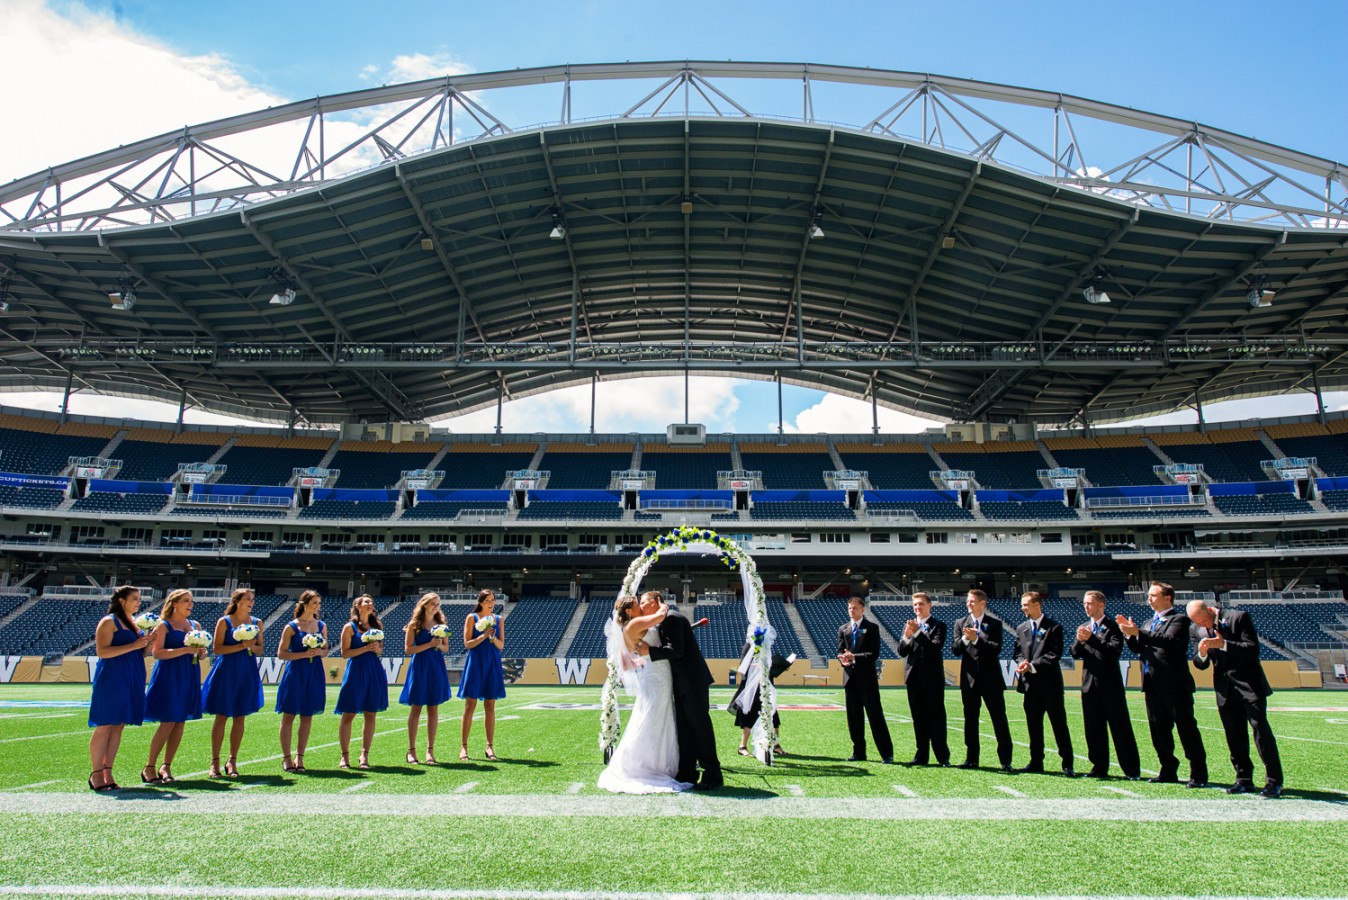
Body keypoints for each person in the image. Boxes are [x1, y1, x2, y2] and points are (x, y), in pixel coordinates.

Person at [1187, 599, 1283, 798]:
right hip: (1224, 689)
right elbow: (1199, 663)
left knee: (1261, 731)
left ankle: (1274, 781)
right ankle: (1243, 779)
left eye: (1204, 620)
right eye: (1199, 623)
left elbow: (1252, 648)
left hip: (1249, 686)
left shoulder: (1238, 618)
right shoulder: (1196, 629)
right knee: (1234, 735)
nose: (1203, 625)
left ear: (1210, 610)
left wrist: (1224, 645)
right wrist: (1203, 653)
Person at [597, 595, 692, 794]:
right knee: (654, 717)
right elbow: (660, 616)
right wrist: (662, 603)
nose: (640, 605)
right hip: (657, 678)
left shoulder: (629, 628)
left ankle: (658, 763)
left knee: (658, 717)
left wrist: (644, 658)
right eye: (636, 604)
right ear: (630, 611)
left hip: (656, 674)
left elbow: (625, 663)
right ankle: (649, 764)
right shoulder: (637, 623)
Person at [1118, 581, 1208, 787]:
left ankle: (1198, 773)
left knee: (1186, 729)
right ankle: (1168, 769)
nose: (1149, 598)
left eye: (1153, 595)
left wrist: (1138, 632)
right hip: (1151, 684)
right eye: (1149, 595)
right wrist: (1128, 634)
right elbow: (1138, 648)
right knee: (1159, 731)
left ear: (1167, 597)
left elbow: (1168, 641)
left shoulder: (1180, 620)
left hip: (1175, 685)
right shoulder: (1149, 622)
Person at [643, 590, 723, 790]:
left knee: (699, 726)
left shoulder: (672, 619)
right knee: (685, 729)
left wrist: (649, 651)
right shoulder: (668, 619)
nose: (641, 606)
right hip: (682, 681)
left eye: (643, 602)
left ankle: (712, 773)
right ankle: (687, 771)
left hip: (691, 680)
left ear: (654, 601)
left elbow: (675, 650)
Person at [1069, 590, 1140, 779]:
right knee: (1093, 729)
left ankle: (1131, 769)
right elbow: (1075, 653)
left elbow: (1112, 652)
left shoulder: (1113, 627)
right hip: (1089, 685)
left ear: (1101, 605)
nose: (1086, 607)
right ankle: (1099, 767)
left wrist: (1091, 638)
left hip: (1110, 686)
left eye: (1089, 603)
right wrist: (1080, 640)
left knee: (1120, 728)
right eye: (1084, 603)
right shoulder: (1084, 626)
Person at [87, 585, 151, 791]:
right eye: (134, 598)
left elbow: (140, 652)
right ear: (121, 600)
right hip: (112, 676)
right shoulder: (108, 621)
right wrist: (135, 645)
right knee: (105, 723)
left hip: (132, 675)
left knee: (119, 725)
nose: (138, 602)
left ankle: (108, 771)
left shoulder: (134, 623)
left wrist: (150, 641)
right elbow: (103, 651)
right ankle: (96, 773)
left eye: (139, 598)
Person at [143, 588, 207, 784]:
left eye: (191, 601)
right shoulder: (164, 625)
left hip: (189, 673)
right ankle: (150, 766)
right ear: (174, 603)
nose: (190, 604)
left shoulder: (194, 624)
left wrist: (200, 652)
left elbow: (201, 654)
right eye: (186, 601)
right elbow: (157, 653)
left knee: (180, 722)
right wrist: (184, 650)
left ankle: (167, 765)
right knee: (168, 721)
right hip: (169, 674)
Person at [201, 587, 265, 778]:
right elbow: (217, 649)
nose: (251, 602)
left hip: (246, 670)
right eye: (247, 598)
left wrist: (251, 646)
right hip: (227, 670)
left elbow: (260, 650)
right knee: (221, 716)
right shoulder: (225, 621)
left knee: (240, 716)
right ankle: (215, 762)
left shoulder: (257, 623)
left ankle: (233, 760)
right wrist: (240, 645)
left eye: (252, 599)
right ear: (237, 601)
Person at [1013, 591, 1075, 775]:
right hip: (1030, 685)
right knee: (1033, 725)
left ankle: (1067, 763)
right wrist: (1021, 663)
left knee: (1058, 724)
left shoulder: (1054, 627)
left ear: (1037, 605)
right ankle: (1036, 761)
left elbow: (1054, 655)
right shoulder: (1022, 628)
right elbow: (1017, 653)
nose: (1022, 608)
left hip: (1050, 686)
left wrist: (1032, 666)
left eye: (1025, 604)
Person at [951, 589, 1013, 771]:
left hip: (991, 679)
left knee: (999, 718)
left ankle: (1005, 760)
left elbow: (995, 648)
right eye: (967, 601)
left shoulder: (994, 624)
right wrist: (965, 638)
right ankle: (971, 758)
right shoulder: (960, 623)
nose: (968, 604)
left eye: (972, 601)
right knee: (970, 720)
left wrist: (976, 639)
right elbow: (955, 649)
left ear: (982, 603)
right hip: (969, 680)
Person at [836, 595, 894, 764]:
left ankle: (886, 753)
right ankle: (859, 752)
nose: (851, 611)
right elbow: (839, 650)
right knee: (854, 718)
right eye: (849, 608)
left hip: (867, 679)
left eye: (855, 608)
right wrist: (843, 658)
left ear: (862, 609)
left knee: (875, 716)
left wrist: (855, 657)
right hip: (850, 678)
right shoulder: (843, 629)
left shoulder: (872, 628)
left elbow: (874, 653)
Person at [274, 590, 327, 773]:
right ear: (304, 603)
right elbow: (281, 653)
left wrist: (318, 652)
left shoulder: (321, 625)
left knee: (307, 716)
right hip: (296, 671)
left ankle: (300, 756)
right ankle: (286, 758)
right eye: (314, 602)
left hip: (314, 672)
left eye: (319, 603)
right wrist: (303, 654)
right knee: (289, 715)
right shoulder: (291, 626)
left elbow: (326, 650)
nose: (317, 607)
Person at [335, 594, 388, 770]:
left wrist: (376, 648)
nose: (370, 604)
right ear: (358, 605)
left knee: (370, 713)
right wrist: (365, 647)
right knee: (348, 713)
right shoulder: (349, 627)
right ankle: (344, 755)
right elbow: (345, 653)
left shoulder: (376, 626)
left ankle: (364, 754)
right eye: (366, 602)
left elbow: (379, 651)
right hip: (356, 671)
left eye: (371, 602)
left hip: (373, 670)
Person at [897, 592, 950, 766]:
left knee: (936, 716)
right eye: (915, 605)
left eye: (921, 604)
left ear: (929, 606)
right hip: (913, 677)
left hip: (932, 678)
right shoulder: (910, 626)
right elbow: (902, 651)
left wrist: (918, 632)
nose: (917, 608)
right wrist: (907, 636)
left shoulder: (939, 625)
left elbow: (934, 648)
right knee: (918, 717)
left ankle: (942, 756)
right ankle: (921, 755)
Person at [399, 592, 450, 764]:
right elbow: (408, 650)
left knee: (433, 708)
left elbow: (445, 649)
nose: (436, 606)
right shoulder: (414, 625)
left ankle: (430, 750)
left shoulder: (441, 624)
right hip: (420, 667)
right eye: (433, 603)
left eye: (438, 604)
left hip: (435, 666)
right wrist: (429, 644)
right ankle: (411, 750)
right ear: (425, 605)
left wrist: (439, 643)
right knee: (416, 708)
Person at [458, 589, 507, 761]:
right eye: (487, 600)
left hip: (492, 663)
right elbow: (468, 644)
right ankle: (463, 747)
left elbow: (501, 646)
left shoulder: (499, 620)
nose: (491, 603)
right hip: (476, 662)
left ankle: (489, 746)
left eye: (492, 600)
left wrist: (493, 638)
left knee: (490, 706)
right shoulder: (472, 618)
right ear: (480, 602)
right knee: (470, 704)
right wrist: (483, 636)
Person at [729, 645, 793, 756]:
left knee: (773, 717)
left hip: (766, 686)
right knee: (749, 717)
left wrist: (783, 665)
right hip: (753, 689)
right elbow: (745, 667)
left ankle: (775, 745)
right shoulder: (750, 646)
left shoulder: (765, 645)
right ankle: (742, 746)